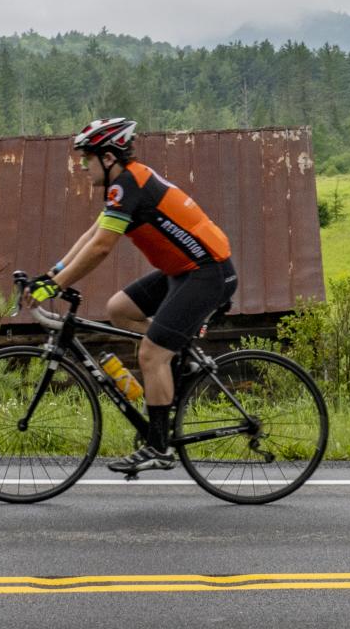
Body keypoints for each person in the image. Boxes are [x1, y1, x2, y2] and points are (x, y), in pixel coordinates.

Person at [31, 117, 238, 474]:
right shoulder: (123, 186)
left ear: (108, 157)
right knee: (119, 310)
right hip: (184, 271)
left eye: (87, 159)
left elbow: (100, 249)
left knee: (151, 354)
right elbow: (92, 235)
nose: (83, 166)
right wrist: (53, 274)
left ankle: (158, 447)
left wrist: (57, 286)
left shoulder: (129, 185)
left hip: (208, 273)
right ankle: (176, 356)